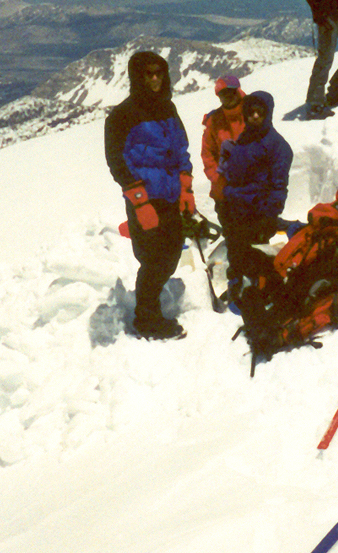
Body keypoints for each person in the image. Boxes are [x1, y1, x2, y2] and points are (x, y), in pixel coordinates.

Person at [240, 162, 338, 357]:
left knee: (316, 294)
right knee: (296, 284)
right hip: (320, 261)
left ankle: (281, 333)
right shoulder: (334, 207)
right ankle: (268, 318)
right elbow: (314, 222)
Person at [104, 50, 196, 339]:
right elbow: (117, 163)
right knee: (154, 259)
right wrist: (140, 202)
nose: (155, 79)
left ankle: (150, 308)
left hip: (169, 196)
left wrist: (186, 187)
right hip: (145, 199)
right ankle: (146, 318)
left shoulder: (168, 108)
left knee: (170, 254)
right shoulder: (122, 115)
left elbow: (181, 148)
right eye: (149, 74)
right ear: (137, 77)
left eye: (160, 73)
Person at [216, 90, 293, 299]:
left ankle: (264, 291)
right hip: (236, 207)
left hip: (257, 211)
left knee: (254, 254)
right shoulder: (245, 138)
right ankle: (239, 285)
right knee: (236, 249)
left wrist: (269, 213)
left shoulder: (277, 146)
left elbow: (278, 186)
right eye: (251, 112)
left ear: (268, 113)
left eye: (260, 112)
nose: (255, 116)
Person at [201, 74, 245, 206]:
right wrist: (218, 179)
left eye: (231, 92)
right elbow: (207, 154)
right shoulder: (214, 121)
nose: (228, 97)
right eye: (223, 94)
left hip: (253, 186)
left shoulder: (252, 111)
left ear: (238, 91)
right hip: (224, 189)